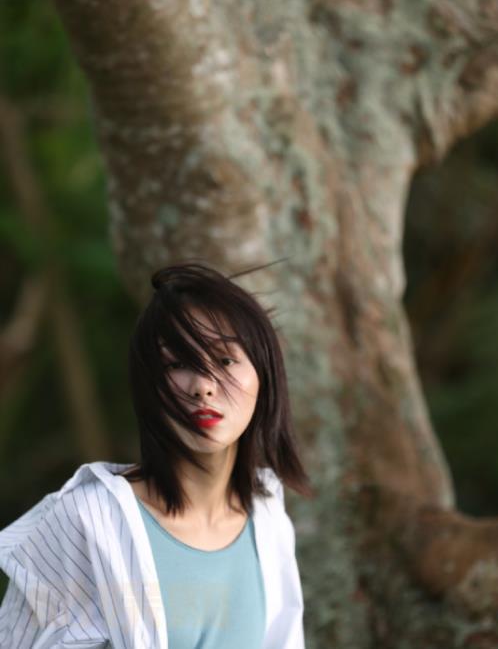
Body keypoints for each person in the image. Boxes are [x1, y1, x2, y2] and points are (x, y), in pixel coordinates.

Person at [0, 261, 311, 648]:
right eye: (178, 363)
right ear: (150, 385)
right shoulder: (87, 522)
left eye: (225, 360)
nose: (203, 386)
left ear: (264, 374)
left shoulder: (267, 516)